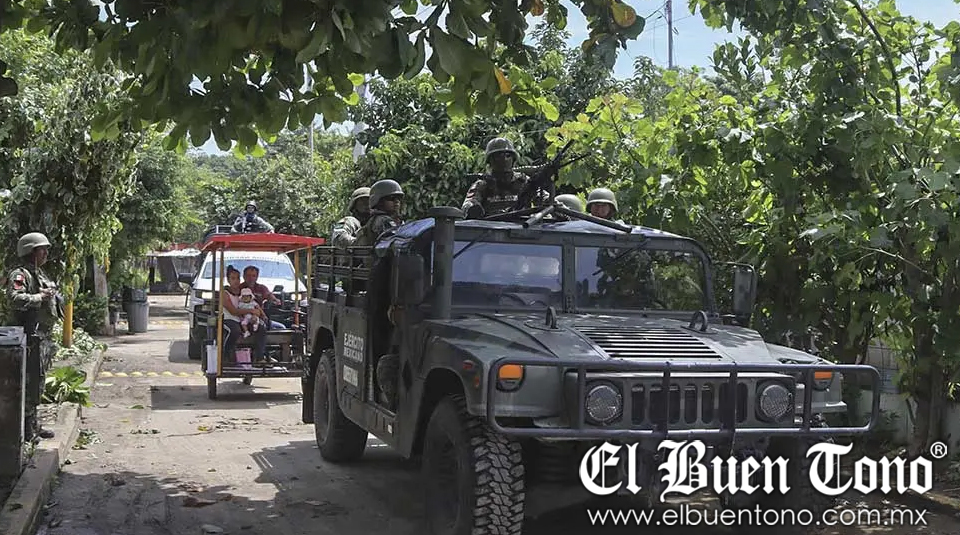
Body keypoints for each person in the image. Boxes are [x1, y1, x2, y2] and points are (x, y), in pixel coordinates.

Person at [6, 232, 61, 441]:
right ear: (30, 252)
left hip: (41, 336)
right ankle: (27, 428)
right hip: (28, 336)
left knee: (38, 381)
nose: (46, 253)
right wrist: (39, 297)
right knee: (29, 381)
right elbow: (14, 298)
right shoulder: (20, 275)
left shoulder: (40, 273)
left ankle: (34, 423)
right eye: (42, 249)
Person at [461, 137, 548, 218]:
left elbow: (542, 196)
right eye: (498, 156)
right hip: (491, 226)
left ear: (513, 159)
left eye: (507, 155)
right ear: (490, 161)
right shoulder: (482, 184)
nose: (504, 159)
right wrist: (473, 208)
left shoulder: (523, 181)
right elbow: (469, 203)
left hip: (522, 225)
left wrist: (548, 201)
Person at [220, 266, 267, 363]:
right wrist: (250, 311)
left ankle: (260, 357)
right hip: (229, 319)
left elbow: (253, 304)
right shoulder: (225, 293)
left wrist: (257, 313)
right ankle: (226, 354)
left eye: (237, 278)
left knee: (261, 327)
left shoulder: (243, 292)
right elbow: (233, 311)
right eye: (233, 278)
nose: (236, 281)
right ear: (228, 280)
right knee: (235, 331)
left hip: (243, 319)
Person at [356, 179, 404, 246]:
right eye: (391, 198)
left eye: (399, 198)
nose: (397, 201)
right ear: (379, 201)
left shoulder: (376, 219)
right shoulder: (383, 220)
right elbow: (397, 243)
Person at [240, 265, 285, 330]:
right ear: (244, 276)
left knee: (281, 327)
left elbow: (269, 294)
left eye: (253, 276)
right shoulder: (239, 288)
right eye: (248, 275)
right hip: (243, 318)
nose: (251, 278)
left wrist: (275, 300)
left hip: (259, 317)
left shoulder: (261, 288)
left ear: (257, 277)